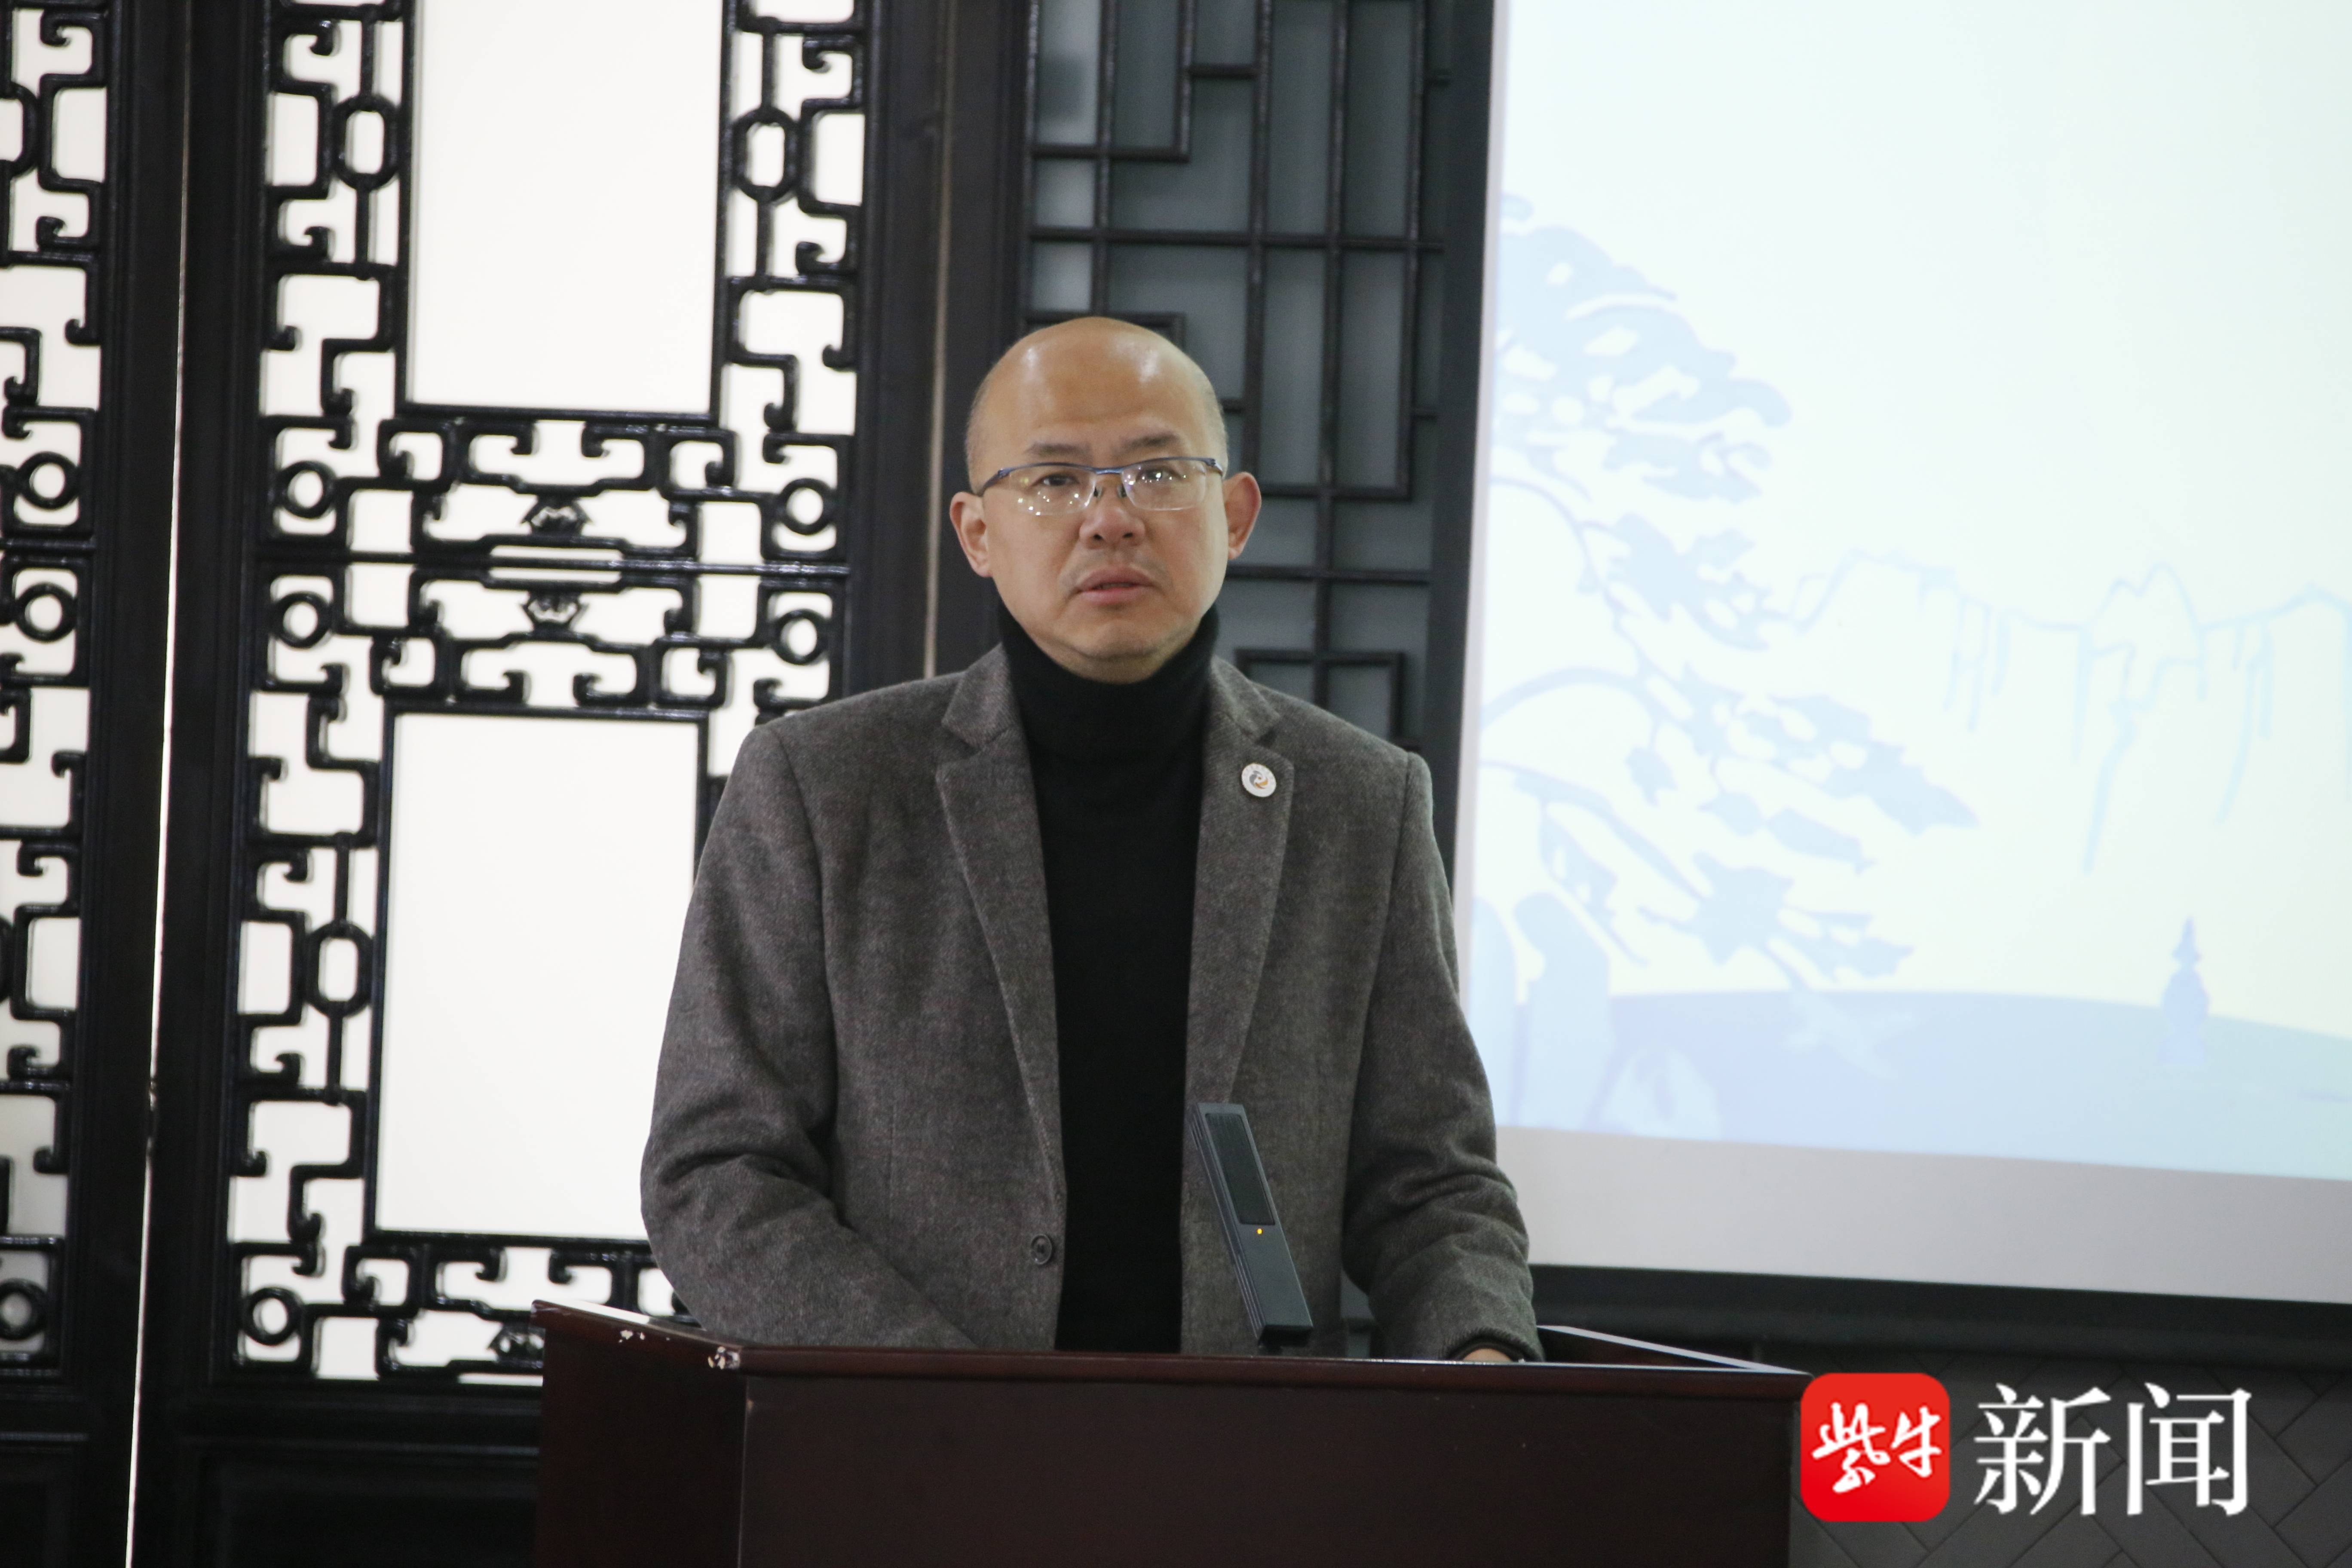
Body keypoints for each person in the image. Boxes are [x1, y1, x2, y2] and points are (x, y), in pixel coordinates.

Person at [641, 317, 1537, 1361]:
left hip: (1250, 1447)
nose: (1110, 520)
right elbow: (715, 1170)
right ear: (978, 533)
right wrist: (944, 1400)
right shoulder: (824, 787)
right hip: (914, 1441)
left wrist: (1483, 1358)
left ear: (1235, 515)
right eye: (1055, 482)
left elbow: (1430, 1184)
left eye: (1158, 474)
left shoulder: (1362, 804)